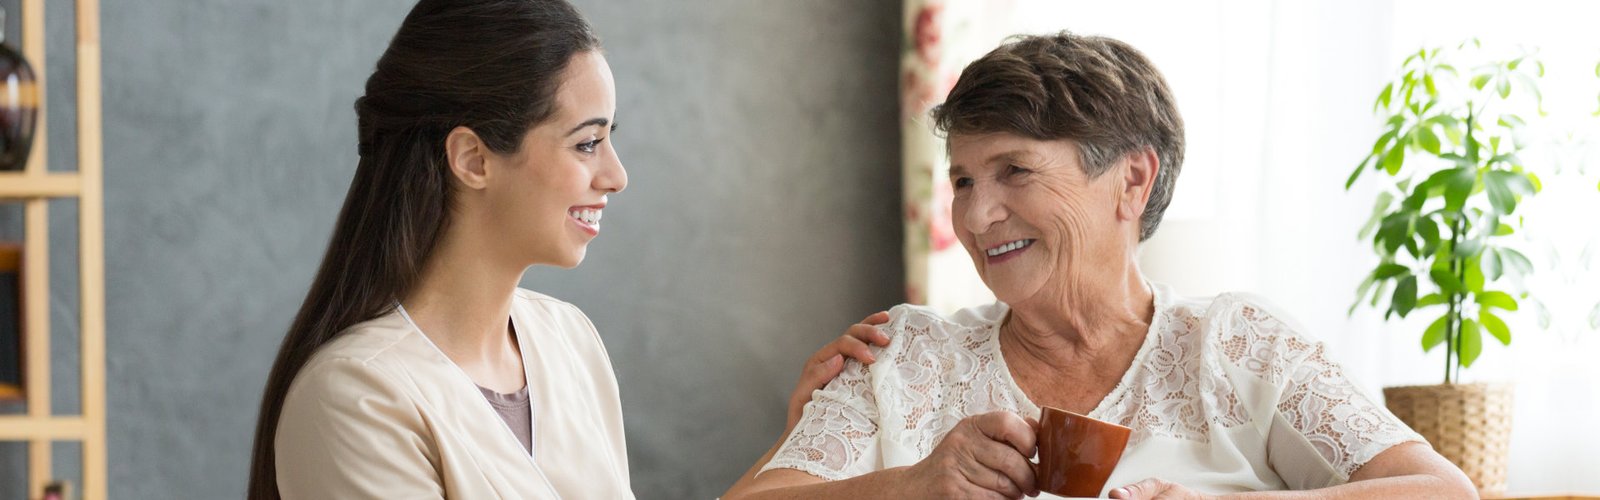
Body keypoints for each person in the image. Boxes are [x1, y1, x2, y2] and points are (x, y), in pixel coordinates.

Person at [725, 31, 1477, 500]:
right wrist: (914, 487)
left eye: (1014, 171)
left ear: (1133, 181)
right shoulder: (906, 357)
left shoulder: (1236, 344)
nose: (977, 216)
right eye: (962, 180)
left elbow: (1441, 493)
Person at [245, 1, 886, 498]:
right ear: (472, 158)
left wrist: (795, 452)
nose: (616, 175)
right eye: (586, 143)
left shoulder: (567, 340)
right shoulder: (354, 397)